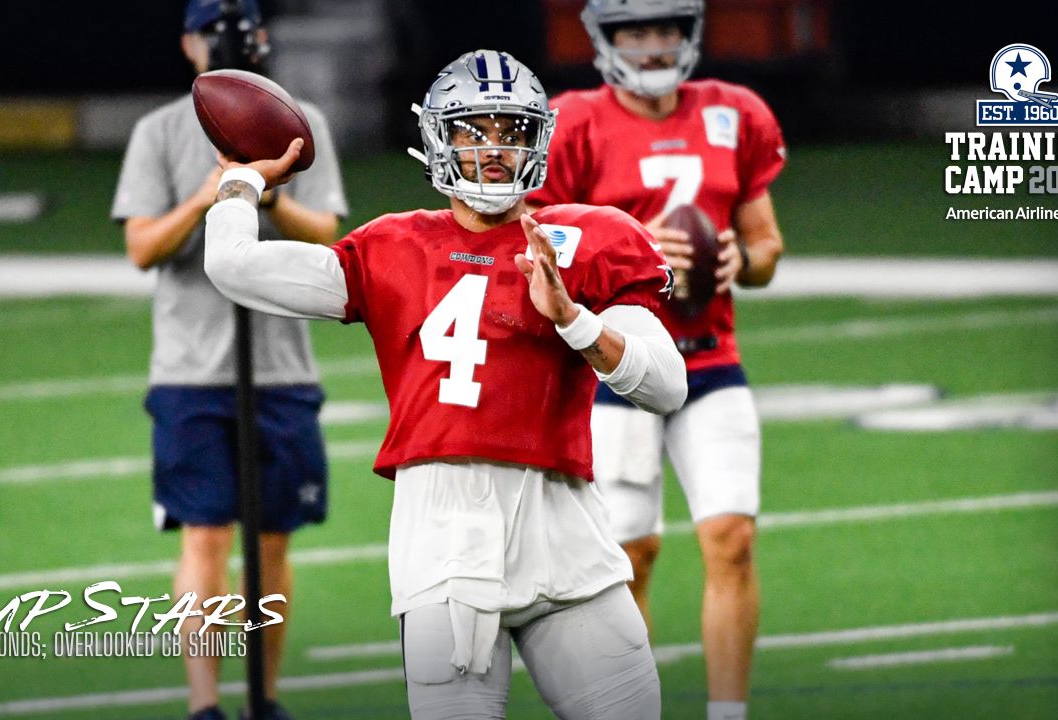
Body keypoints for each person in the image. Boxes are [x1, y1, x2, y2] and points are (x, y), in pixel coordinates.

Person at [203, 49, 687, 720]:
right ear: (438, 137)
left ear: (537, 139)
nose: (493, 149)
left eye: (511, 131)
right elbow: (233, 265)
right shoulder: (391, 246)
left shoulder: (593, 238)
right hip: (443, 542)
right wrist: (240, 183)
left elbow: (666, 385)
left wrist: (573, 319)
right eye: (473, 130)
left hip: (564, 529)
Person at [526, 2, 787, 718]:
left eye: (664, 29)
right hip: (617, 369)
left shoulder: (733, 113)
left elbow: (766, 244)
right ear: (605, 40)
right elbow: (539, 250)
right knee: (628, 557)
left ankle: (727, 714)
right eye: (634, 32)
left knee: (731, 539)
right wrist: (631, 246)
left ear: (688, 33)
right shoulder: (573, 122)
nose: (651, 46)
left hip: (711, 358)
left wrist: (742, 257)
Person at [109, 1, 348, 718]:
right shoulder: (158, 130)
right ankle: (205, 704)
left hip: (280, 362)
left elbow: (326, 231)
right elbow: (144, 248)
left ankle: (265, 698)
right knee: (206, 534)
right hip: (192, 367)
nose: (227, 43)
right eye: (212, 31)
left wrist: (262, 192)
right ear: (188, 43)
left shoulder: (299, 122)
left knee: (273, 541)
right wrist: (212, 197)